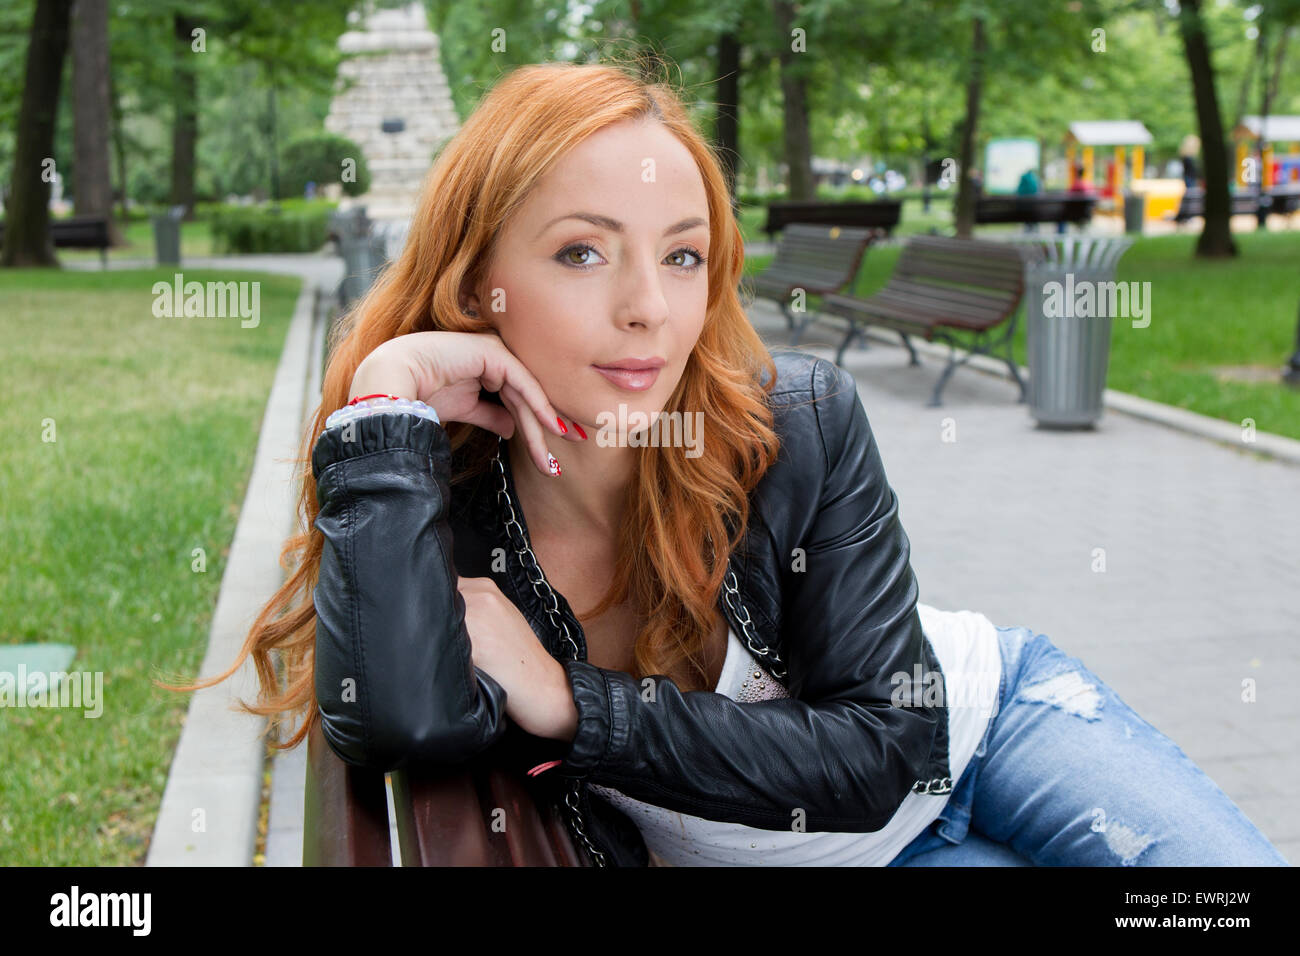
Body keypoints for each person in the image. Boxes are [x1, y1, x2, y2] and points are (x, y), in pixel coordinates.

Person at [170, 59, 1290, 868]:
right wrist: (387, 394)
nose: (647, 308)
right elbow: (395, 717)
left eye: (683, 255)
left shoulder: (793, 421)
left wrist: (572, 702)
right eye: (579, 251)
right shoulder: (448, 503)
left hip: (997, 727)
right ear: (476, 284)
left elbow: (881, 744)